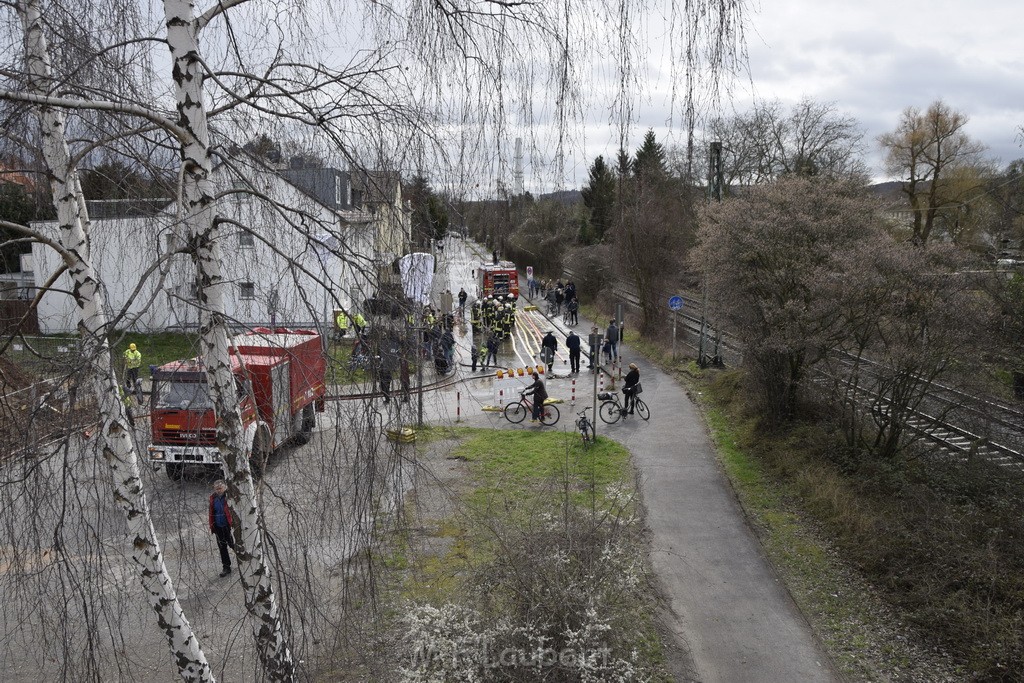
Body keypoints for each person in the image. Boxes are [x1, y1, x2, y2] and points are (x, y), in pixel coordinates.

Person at [208, 480, 235, 578]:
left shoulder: (229, 497)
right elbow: (211, 512)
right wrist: (212, 525)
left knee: (232, 543)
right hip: (217, 526)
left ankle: (243, 559)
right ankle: (226, 567)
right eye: (216, 489)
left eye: (220, 488)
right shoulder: (213, 498)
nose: (218, 490)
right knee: (222, 547)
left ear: (224, 487)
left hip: (227, 525)